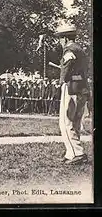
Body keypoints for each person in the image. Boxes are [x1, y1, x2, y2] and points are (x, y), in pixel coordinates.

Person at [54, 25, 90, 165]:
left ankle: (77, 153)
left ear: (65, 38)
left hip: (71, 88)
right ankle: (71, 153)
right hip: (82, 88)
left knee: (66, 122)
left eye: (60, 38)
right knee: (75, 122)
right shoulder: (81, 50)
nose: (59, 42)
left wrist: (61, 82)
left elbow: (67, 67)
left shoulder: (69, 50)